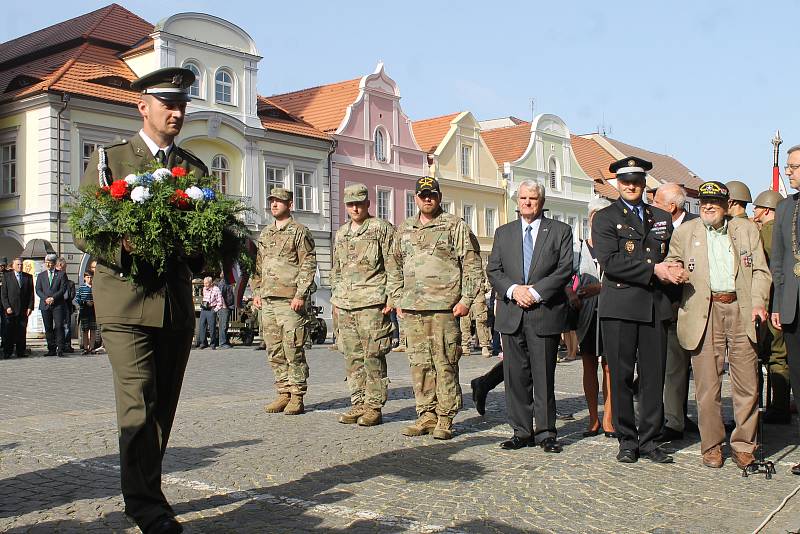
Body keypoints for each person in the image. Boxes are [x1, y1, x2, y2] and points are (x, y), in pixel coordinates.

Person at [77, 66, 208, 533]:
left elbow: (200, 245)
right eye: (168, 104)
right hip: (126, 303)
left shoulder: (194, 169)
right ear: (143, 106)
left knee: (162, 406)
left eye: (182, 105)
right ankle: (147, 506)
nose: (176, 112)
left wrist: (212, 250)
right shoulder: (112, 160)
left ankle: (145, 490)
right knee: (138, 401)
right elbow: (86, 228)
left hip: (174, 306)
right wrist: (125, 247)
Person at [667, 181, 770, 469]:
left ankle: (743, 444)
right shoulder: (687, 232)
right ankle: (711, 445)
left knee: (747, 383)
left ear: (726, 205)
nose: (708, 207)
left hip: (742, 308)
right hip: (704, 309)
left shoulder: (746, 229)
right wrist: (673, 270)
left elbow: (761, 270)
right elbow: (671, 261)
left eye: (714, 202)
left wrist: (760, 302)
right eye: (703, 202)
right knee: (707, 386)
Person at [592, 156, 686, 464]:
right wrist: (655, 270)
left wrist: (675, 269)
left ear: (645, 184)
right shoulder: (605, 218)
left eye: (637, 181)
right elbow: (611, 261)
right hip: (620, 305)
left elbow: (672, 252)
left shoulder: (660, 216)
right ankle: (627, 440)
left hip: (655, 307)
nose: (631, 186)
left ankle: (649, 439)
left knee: (652, 377)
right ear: (617, 184)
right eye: (625, 182)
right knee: (619, 377)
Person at [486, 180, 573, 452]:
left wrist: (535, 293)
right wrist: (513, 290)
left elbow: (564, 269)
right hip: (512, 314)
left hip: (543, 312)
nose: (527, 202)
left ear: (541, 201)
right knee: (515, 377)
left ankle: (546, 432)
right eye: (523, 198)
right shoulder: (504, 233)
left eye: (532, 198)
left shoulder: (560, 231)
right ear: (517, 200)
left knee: (543, 375)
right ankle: (521, 431)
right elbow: (494, 270)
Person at [395, 176, 481, 440]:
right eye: (422, 195)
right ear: (416, 198)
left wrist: (466, 300)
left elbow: (472, 265)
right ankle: (426, 414)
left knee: (445, 363)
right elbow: (394, 266)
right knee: (419, 364)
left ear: (439, 197)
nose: (427, 198)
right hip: (412, 310)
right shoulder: (405, 228)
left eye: (431, 194)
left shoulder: (454, 226)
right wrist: (398, 298)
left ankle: (445, 417)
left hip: (445, 309)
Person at [330, 183, 401, 426]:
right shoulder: (341, 234)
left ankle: (374, 406)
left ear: (368, 204)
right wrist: (336, 300)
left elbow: (393, 264)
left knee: (373, 356)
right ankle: (358, 402)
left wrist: (392, 297)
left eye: (359, 203)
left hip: (372, 303)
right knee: (352, 357)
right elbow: (336, 270)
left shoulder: (380, 229)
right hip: (346, 305)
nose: (355, 208)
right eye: (350, 204)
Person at [251, 187, 317, 416]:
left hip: (290, 301)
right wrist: (256, 291)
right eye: (272, 201)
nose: (274, 204)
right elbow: (258, 266)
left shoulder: (300, 232)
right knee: (274, 349)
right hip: (268, 300)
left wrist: (300, 294)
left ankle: (297, 394)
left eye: (279, 201)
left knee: (293, 348)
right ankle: (283, 391)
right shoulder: (266, 233)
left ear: (290, 204)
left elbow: (308, 264)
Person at [652, 183, 700, 441]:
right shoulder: (654, 226)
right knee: (673, 367)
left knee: (700, 369)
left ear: (671, 206)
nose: (652, 206)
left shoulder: (697, 224)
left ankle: (684, 416)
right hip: (667, 306)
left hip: (697, 306)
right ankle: (673, 421)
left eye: (657, 202)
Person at [571, 197, 617, 438]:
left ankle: (609, 418)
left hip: (611, 312)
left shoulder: (615, 247)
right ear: (589, 219)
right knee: (588, 365)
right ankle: (592, 418)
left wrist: (600, 288)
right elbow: (567, 277)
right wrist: (573, 294)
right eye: (595, 216)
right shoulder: (578, 248)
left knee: (610, 367)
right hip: (586, 315)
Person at [769, 143, 800, 476]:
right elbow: (778, 260)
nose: (789, 172)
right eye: (788, 167)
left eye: (793, 167)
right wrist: (778, 303)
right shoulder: (785, 208)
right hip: (792, 306)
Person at [752, 190, 792, 424]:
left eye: (757, 208)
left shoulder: (769, 231)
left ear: (766, 209)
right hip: (780, 300)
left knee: (776, 355)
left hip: (771, 300)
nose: (754, 212)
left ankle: (779, 407)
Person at [35, 253, 67, 357]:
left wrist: (53, 298)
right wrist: (46, 299)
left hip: (57, 304)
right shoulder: (41, 275)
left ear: (54, 263)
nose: (48, 265)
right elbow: (38, 289)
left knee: (58, 326)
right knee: (48, 327)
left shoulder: (61, 274)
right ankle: (51, 348)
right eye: (47, 263)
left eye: (50, 263)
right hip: (45, 304)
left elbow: (63, 289)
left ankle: (60, 348)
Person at [1, 257, 34, 358]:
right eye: (18, 265)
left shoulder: (28, 277)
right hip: (11, 309)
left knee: (22, 331)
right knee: (9, 331)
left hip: (23, 309)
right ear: (13, 266)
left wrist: (30, 307)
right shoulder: (7, 276)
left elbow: (31, 294)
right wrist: (7, 307)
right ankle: (8, 352)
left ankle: (20, 351)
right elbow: (4, 294)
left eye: (21, 265)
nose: (20, 266)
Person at [460, 271, 493, 358]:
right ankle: (465, 345)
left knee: (481, 321)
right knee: (465, 321)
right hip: (465, 293)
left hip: (479, 294)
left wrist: (486, 287)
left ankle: (484, 346)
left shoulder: (482, 259)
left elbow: (489, 275)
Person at [195, 276, 223, 350]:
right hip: (204, 309)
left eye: (206, 283)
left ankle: (213, 344)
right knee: (202, 326)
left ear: (210, 283)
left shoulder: (216, 289)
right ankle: (203, 343)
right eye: (204, 283)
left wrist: (215, 310)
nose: (205, 285)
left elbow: (220, 302)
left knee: (212, 328)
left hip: (211, 309)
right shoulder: (204, 289)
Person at [56, 257, 76, 353]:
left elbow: (71, 294)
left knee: (67, 326)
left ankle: (67, 345)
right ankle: (59, 345)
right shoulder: (54, 278)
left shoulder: (68, 281)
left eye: (65, 267)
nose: (64, 269)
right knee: (58, 325)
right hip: (56, 306)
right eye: (64, 267)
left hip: (66, 305)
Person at [75, 271, 98, 355]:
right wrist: (85, 302)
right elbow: (77, 299)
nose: (89, 279)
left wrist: (94, 302)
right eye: (88, 277)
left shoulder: (96, 287)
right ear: (84, 278)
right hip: (84, 311)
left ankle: (92, 347)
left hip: (93, 311)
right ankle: (85, 347)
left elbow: (99, 298)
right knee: (85, 330)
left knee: (93, 329)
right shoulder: (81, 288)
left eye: (91, 277)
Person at [216, 273, 235, 349]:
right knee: (223, 325)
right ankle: (222, 343)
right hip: (224, 307)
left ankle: (226, 341)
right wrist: (224, 306)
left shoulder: (228, 283)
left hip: (229, 306)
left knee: (226, 325)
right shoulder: (222, 283)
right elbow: (220, 295)